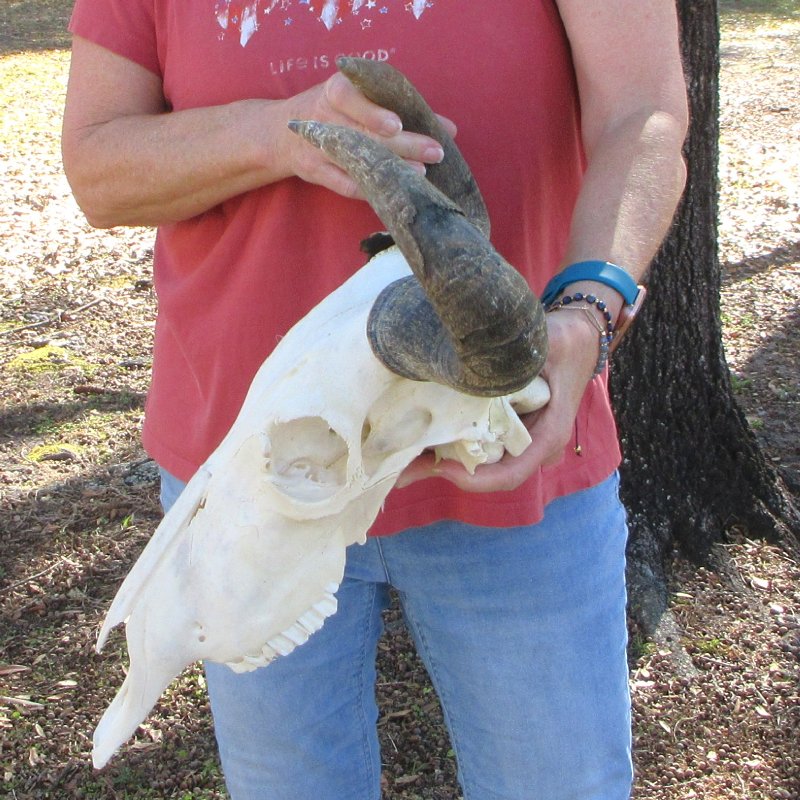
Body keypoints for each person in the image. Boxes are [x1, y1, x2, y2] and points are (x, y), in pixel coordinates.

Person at [62, 2, 688, 798]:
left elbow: (644, 112)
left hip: (508, 444)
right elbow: (99, 171)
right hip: (259, 470)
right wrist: (282, 133)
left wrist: (590, 305)